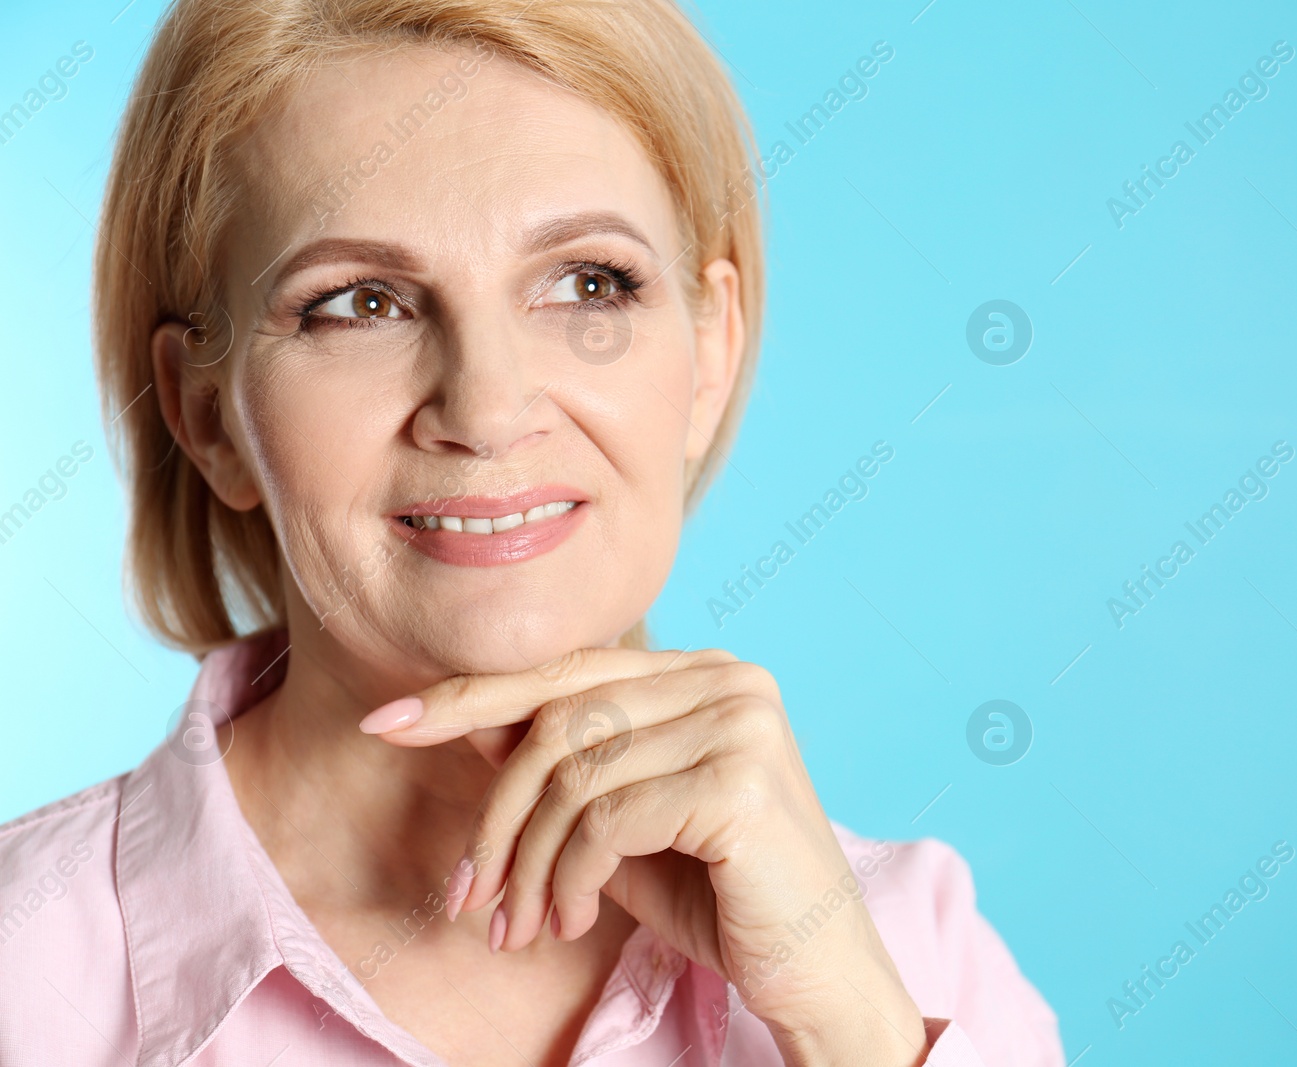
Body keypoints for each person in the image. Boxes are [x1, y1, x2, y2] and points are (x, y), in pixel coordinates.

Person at [0, 1, 1064, 1063]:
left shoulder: (916, 957)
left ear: (710, 352)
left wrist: (859, 1034)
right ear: (207, 416)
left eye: (587, 283)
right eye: (360, 303)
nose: (488, 409)